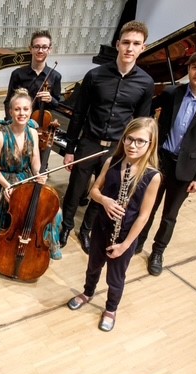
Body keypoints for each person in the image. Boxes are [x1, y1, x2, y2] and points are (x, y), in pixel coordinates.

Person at [60, 21, 154, 254]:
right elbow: (79, 113)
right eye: (126, 42)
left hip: (117, 148)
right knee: (75, 188)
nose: (130, 48)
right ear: (117, 44)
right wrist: (70, 148)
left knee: (103, 191)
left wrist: (135, 157)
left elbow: (141, 124)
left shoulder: (146, 83)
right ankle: (65, 227)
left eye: (136, 44)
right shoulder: (94, 75)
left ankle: (86, 230)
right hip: (89, 142)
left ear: (143, 48)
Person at [136, 49, 196, 276]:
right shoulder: (172, 92)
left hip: (187, 168)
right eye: (194, 67)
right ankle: (138, 242)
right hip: (161, 161)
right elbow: (146, 110)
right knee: (148, 206)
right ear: (188, 68)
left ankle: (157, 252)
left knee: (169, 215)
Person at [67, 117, 161, 332]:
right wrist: (105, 201)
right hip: (101, 227)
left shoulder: (152, 176)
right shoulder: (112, 162)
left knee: (116, 277)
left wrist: (125, 245)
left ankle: (111, 309)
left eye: (140, 141)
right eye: (129, 139)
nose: (133, 145)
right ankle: (88, 292)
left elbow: (143, 216)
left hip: (125, 236)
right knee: (93, 266)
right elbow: (94, 190)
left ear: (150, 144)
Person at [0, 88, 62, 265]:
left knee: (53, 209)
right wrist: (7, 186)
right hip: (4, 181)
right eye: (17, 109)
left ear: (31, 111)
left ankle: (38, 246)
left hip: (26, 178)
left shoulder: (33, 133)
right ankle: (5, 248)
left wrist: (38, 174)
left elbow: (35, 159)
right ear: (11, 111)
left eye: (26, 109)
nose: (22, 113)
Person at [4, 29, 62, 170]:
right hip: (20, 124)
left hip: (42, 128)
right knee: (17, 161)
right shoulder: (18, 74)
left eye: (44, 47)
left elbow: (57, 104)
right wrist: (10, 124)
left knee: (40, 165)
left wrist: (51, 99)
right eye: (37, 47)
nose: (40, 50)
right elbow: (8, 101)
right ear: (30, 49)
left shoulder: (55, 76)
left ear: (50, 49)